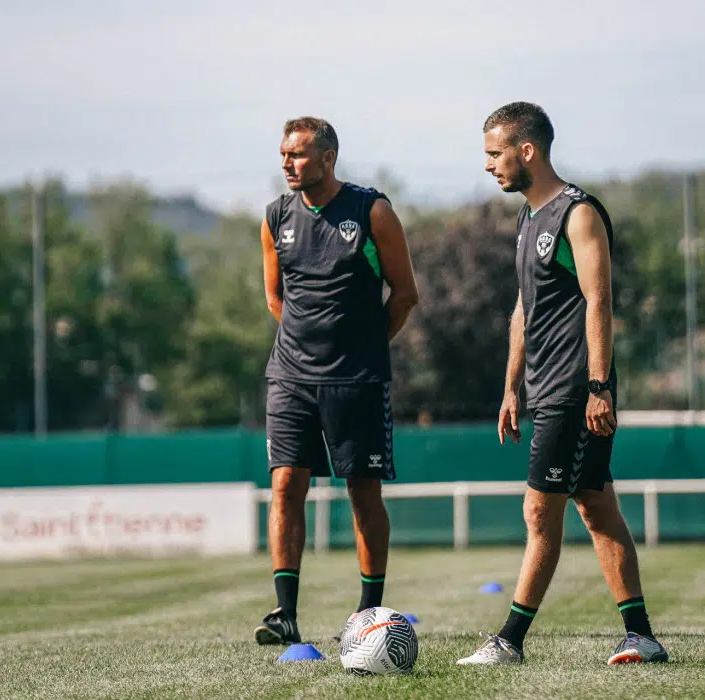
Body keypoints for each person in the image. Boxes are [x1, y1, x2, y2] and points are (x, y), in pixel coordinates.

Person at [458, 102, 668, 666]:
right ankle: (641, 635)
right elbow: (524, 309)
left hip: (576, 388)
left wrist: (599, 387)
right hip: (545, 388)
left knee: (539, 513)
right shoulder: (528, 220)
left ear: (527, 150)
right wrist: (510, 388)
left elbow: (600, 300)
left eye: (495, 153)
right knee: (597, 508)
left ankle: (510, 641)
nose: (488, 166)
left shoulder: (578, 214)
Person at [255, 117, 419, 645]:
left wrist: (364, 347)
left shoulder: (372, 212)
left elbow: (406, 293)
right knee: (285, 485)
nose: (287, 163)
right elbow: (276, 297)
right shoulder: (275, 216)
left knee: (362, 493)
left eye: (298, 154)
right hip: (290, 377)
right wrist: (305, 349)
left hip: (358, 380)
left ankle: (369, 612)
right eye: (284, 154)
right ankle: (285, 615)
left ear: (328, 158)